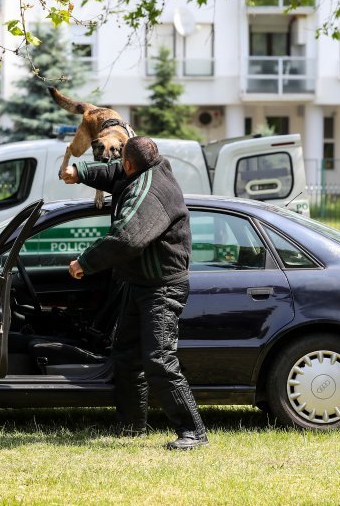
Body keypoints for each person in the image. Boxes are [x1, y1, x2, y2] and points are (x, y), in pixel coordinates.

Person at [61, 136, 208, 450]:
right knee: (126, 356)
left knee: (158, 360)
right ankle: (131, 428)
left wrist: (85, 263)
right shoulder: (149, 168)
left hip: (162, 287)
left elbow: (127, 239)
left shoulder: (148, 193)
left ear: (130, 163)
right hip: (141, 283)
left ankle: (194, 432)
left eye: (121, 161)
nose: (118, 167)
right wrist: (81, 171)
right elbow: (115, 173)